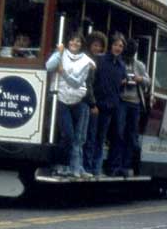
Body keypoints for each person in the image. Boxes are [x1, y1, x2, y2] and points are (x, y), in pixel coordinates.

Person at [45, 32, 95, 178]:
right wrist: (58, 53)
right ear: (68, 42)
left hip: (77, 102)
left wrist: (64, 73)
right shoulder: (61, 53)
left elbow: (77, 82)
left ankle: (69, 167)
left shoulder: (86, 60)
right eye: (72, 40)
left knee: (76, 137)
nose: (75, 43)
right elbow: (49, 67)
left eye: (78, 41)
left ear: (82, 44)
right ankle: (61, 165)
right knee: (68, 134)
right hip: (60, 99)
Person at [92, 32, 128, 176]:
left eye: (120, 46)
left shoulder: (121, 65)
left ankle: (97, 168)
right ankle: (90, 167)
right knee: (92, 137)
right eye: (115, 45)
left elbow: (121, 84)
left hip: (110, 107)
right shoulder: (100, 60)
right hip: (97, 105)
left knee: (101, 138)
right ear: (110, 46)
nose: (118, 48)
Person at [118, 38, 151, 177]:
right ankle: (116, 164)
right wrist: (122, 81)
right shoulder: (120, 63)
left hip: (135, 103)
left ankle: (126, 165)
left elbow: (148, 81)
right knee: (119, 132)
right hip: (121, 101)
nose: (131, 53)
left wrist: (140, 79)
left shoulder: (139, 65)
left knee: (131, 135)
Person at [82, 31, 108, 175]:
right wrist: (92, 103)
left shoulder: (101, 61)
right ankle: (87, 166)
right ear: (90, 45)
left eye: (100, 46)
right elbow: (88, 84)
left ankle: (92, 166)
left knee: (95, 136)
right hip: (89, 103)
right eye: (95, 45)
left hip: (99, 103)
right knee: (89, 135)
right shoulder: (88, 60)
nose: (97, 49)